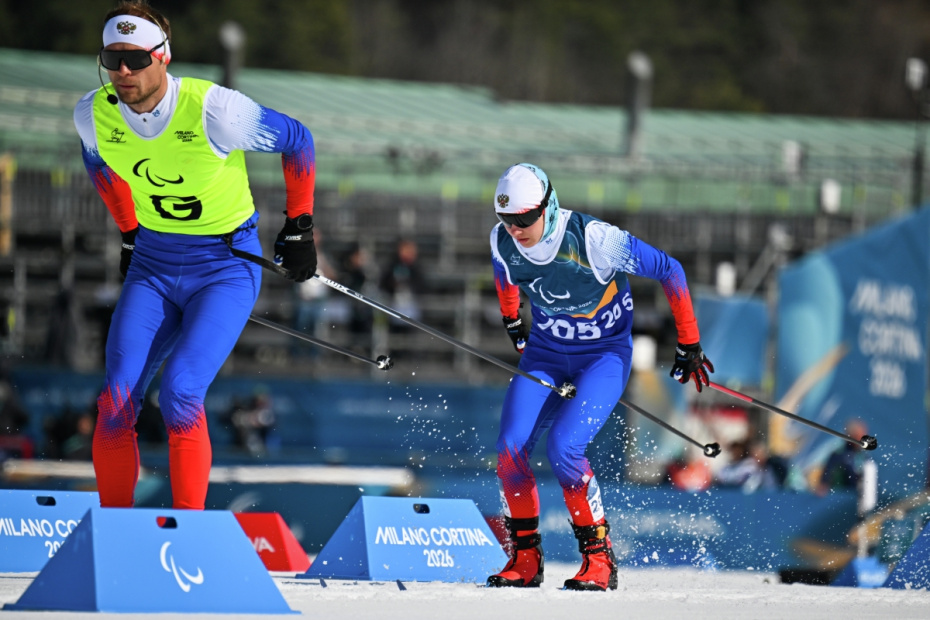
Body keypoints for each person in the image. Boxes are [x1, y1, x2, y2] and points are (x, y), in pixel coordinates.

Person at [72, 1, 317, 509]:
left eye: (136, 60)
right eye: (112, 58)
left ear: (162, 57)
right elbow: (101, 169)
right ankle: (115, 533)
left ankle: (188, 535)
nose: (122, 72)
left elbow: (298, 140)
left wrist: (299, 227)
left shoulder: (214, 110)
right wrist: (127, 234)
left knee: (182, 392)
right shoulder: (92, 114)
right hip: (154, 266)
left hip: (224, 268)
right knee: (116, 399)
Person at [486, 163, 713, 591]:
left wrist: (689, 341)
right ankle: (526, 559)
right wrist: (512, 319)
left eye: (524, 219)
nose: (515, 229)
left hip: (602, 358)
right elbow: (505, 274)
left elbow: (670, 269)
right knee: (510, 449)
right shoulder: (502, 241)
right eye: (507, 220)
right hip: (546, 356)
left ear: (548, 206)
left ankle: (599, 560)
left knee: (565, 448)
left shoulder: (594, 240)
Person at [816, 418, 873, 495]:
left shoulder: (865, 457)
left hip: (857, 498)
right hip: (840, 496)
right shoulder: (839, 454)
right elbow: (825, 479)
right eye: (860, 436)